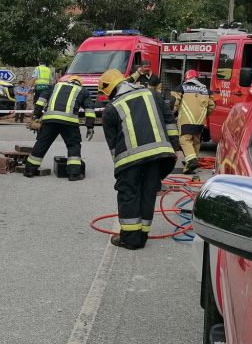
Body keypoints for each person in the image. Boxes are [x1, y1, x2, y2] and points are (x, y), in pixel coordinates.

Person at [99, 68, 179, 250]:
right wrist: (174, 148)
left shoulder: (111, 109)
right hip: (159, 155)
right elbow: (170, 121)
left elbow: (113, 146)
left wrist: (119, 168)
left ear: (110, 89)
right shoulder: (153, 95)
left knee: (129, 195)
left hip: (129, 160)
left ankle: (130, 238)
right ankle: (142, 234)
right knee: (148, 192)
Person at [24, 76, 94, 181]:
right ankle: (74, 174)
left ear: (69, 80)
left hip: (50, 120)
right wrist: (90, 126)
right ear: (80, 83)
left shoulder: (55, 86)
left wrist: (37, 116)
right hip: (70, 122)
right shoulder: (83, 91)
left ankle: (29, 170)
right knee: (73, 145)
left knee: (42, 143)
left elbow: (41, 100)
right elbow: (89, 109)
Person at [170, 69, 215, 173]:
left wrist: (172, 114)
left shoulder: (181, 88)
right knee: (196, 141)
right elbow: (212, 107)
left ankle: (191, 161)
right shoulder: (206, 90)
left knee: (184, 140)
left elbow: (173, 103)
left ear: (186, 78)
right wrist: (204, 115)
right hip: (200, 121)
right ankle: (190, 161)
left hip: (185, 120)